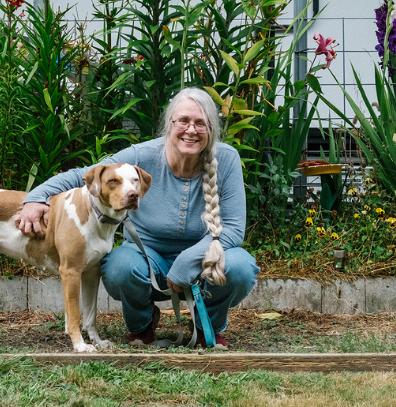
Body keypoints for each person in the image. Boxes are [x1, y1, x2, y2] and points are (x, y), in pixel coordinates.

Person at [17, 87, 260, 347]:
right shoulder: (141, 155)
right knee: (119, 267)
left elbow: (233, 229)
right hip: (147, 255)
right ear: (170, 124)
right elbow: (84, 174)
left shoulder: (227, 158)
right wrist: (35, 197)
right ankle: (142, 325)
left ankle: (205, 325)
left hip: (203, 257)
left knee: (240, 267)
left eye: (201, 123)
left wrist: (186, 262)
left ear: (211, 129)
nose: (191, 130)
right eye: (184, 121)